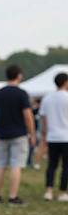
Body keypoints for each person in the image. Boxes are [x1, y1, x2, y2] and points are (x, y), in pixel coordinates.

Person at [0, 65, 35, 205]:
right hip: (19, 134)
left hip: (2, 133)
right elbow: (27, 115)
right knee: (16, 165)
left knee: (1, 164)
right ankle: (12, 197)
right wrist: (32, 133)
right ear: (19, 75)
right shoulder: (21, 93)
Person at [39, 72, 68, 202]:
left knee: (51, 165)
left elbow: (43, 119)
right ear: (65, 82)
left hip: (52, 136)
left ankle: (48, 191)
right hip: (66, 137)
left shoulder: (47, 98)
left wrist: (44, 135)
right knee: (66, 166)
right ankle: (62, 192)